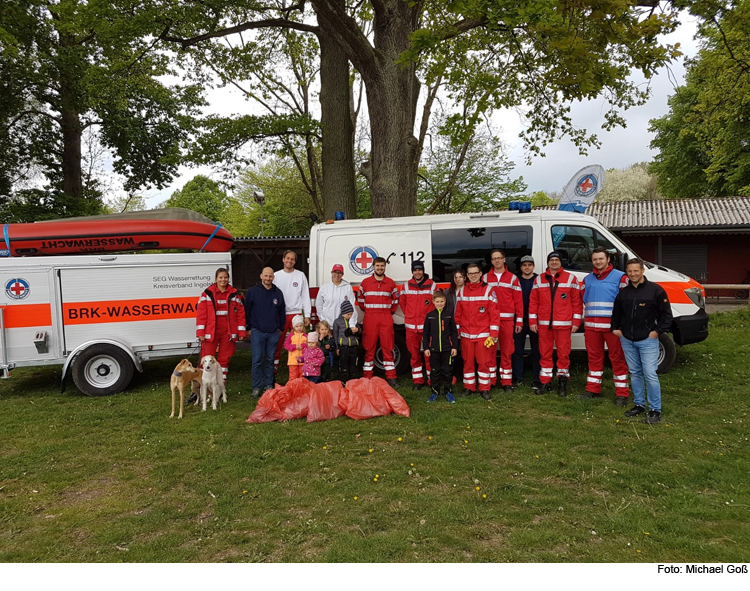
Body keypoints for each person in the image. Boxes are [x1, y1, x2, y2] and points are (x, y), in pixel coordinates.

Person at [611, 258, 672, 424]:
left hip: (647, 340)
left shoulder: (656, 291)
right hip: (627, 339)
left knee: (650, 374)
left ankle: (655, 410)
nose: (633, 274)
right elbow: (616, 313)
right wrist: (615, 328)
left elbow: (667, 315)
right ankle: (639, 405)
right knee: (635, 373)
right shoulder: (624, 292)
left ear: (642, 271)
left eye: (636, 271)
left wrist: (657, 332)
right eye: (629, 271)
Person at [529, 251, 582, 397]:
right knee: (544, 354)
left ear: (561, 262)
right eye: (551, 260)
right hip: (544, 325)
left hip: (564, 324)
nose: (554, 262)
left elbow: (576, 302)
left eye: (556, 260)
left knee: (563, 354)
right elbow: (533, 302)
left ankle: (562, 381)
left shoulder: (571, 278)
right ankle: (545, 381)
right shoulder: (539, 279)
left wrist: (576, 321)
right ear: (548, 262)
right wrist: (532, 321)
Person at [581, 247, 630, 405]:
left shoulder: (621, 277)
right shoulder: (587, 279)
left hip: (612, 327)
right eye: (595, 259)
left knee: (617, 358)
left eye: (601, 258)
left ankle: (622, 393)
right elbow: (584, 299)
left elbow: (626, 302)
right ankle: (593, 389)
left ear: (608, 259)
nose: (598, 261)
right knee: (594, 359)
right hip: (591, 327)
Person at [455, 263, 499, 400]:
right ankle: (469, 387)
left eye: (475, 273)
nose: (473, 276)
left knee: (484, 362)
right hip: (466, 335)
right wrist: (458, 331)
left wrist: (493, 335)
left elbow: (495, 315)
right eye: (470, 273)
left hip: (483, 335)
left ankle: (485, 388)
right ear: (467, 275)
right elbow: (458, 314)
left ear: (480, 274)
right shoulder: (462, 291)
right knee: (467, 361)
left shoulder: (489, 290)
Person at [196, 267, 247, 385]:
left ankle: (220, 385)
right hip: (211, 332)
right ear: (216, 279)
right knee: (206, 359)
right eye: (220, 277)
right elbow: (201, 314)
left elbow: (240, 314)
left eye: (225, 277)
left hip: (227, 333)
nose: (223, 280)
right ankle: (203, 386)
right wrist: (200, 332)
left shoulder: (234, 294)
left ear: (228, 279)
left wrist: (241, 332)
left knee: (224, 359)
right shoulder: (207, 294)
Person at [483, 249, 523, 391]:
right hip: (490, 322)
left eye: (499, 258)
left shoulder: (513, 278)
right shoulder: (485, 278)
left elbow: (519, 302)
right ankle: (492, 380)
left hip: (507, 321)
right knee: (490, 351)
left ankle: (506, 382)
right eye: (494, 259)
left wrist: (519, 321)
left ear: (504, 259)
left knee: (507, 351)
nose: (497, 261)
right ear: (491, 261)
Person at [243, 266, 287, 398]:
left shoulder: (277, 292)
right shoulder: (252, 291)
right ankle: (256, 387)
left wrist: (280, 327)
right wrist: (248, 328)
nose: (268, 278)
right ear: (261, 276)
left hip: (273, 332)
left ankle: (268, 385)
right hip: (257, 331)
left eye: (270, 276)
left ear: (273, 277)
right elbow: (247, 311)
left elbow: (281, 311)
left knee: (270, 359)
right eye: (266, 276)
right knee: (256, 360)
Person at [357, 257, 400, 386]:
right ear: (373, 267)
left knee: (388, 347)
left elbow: (395, 302)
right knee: (369, 347)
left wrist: (387, 313)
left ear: (385, 267)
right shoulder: (365, 283)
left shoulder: (391, 283)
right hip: (370, 317)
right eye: (378, 266)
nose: (380, 268)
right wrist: (370, 311)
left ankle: (391, 377)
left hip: (385, 317)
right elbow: (361, 301)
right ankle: (367, 377)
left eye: (382, 266)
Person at [273, 250, 312, 374]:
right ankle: (274, 368)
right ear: (283, 259)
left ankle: (301, 368)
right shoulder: (276, 276)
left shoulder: (300, 275)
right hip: (281, 314)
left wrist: (307, 315)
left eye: (292, 259)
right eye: (287, 258)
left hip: (296, 314)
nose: (290, 261)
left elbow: (305, 296)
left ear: (295, 261)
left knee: (300, 341)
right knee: (278, 342)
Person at [400, 260, 435, 388]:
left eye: (420, 270)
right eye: (415, 270)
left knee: (429, 354)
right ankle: (418, 380)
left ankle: (432, 380)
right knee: (414, 355)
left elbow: (436, 303)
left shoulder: (432, 285)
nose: (417, 272)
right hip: (411, 327)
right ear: (412, 271)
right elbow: (403, 303)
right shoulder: (406, 286)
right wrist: (410, 315)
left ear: (423, 270)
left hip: (427, 327)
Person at [512, 255, 541, 393]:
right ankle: (518, 376)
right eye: (524, 265)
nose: (527, 267)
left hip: (535, 321)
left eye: (530, 265)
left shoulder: (539, 280)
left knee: (537, 351)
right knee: (517, 350)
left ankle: (537, 377)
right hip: (519, 320)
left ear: (533, 266)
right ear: (521, 267)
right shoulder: (515, 280)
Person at [423, 290, 459, 403]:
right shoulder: (429, 316)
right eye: (437, 301)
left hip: (447, 349)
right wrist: (426, 348)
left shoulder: (448, 315)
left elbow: (454, 332)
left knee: (447, 371)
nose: (439, 303)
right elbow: (425, 333)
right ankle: (435, 392)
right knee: (435, 371)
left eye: (442, 301)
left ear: (445, 302)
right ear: (433, 302)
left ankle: (448, 392)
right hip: (433, 350)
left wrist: (454, 347)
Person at [446, 269, 467, 385]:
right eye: (455, 277)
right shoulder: (448, 292)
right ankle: (454, 375)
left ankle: (464, 374)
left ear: (464, 278)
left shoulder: (469, 291)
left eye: (460, 277)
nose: (458, 279)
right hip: (452, 326)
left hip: (466, 325)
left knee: (465, 351)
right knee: (453, 350)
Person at [333, 300, 361, 382]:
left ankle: (353, 381)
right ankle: (344, 381)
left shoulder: (354, 321)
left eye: (351, 314)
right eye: (348, 314)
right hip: (343, 347)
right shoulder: (337, 322)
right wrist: (337, 348)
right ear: (343, 312)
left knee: (353, 365)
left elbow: (360, 331)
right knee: (343, 365)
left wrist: (357, 330)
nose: (349, 316)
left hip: (353, 346)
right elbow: (335, 335)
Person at [283, 315, 307, 382]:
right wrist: (294, 347)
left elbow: (309, 345)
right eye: (297, 326)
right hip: (293, 360)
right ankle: (292, 390)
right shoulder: (291, 336)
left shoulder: (306, 336)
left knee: (302, 375)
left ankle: (301, 389)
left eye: (301, 326)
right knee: (293, 376)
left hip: (303, 360)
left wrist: (303, 346)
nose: (299, 328)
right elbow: (286, 345)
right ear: (294, 327)